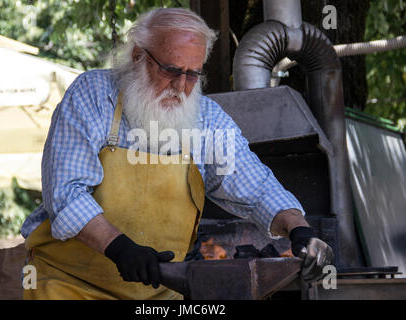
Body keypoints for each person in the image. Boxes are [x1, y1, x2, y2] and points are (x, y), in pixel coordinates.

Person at [20, 7, 334, 300]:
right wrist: (119, 247)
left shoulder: (206, 119)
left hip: (159, 292)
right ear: (138, 57)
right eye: (171, 70)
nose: (181, 86)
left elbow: (254, 185)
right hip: (68, 285)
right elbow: (66, 193)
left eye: (193, 73)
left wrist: (298, 228)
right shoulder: (93, 95)